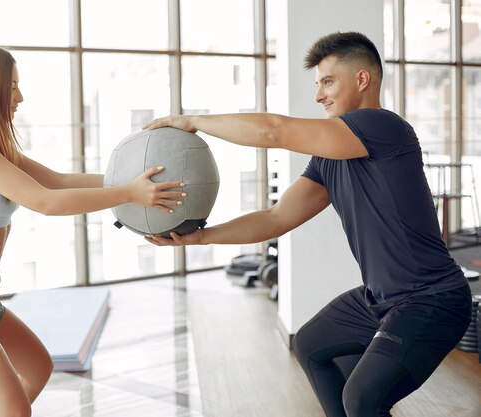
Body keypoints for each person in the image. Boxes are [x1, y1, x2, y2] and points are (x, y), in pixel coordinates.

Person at [144, 32, 472, 417]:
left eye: (328, 81)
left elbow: (275, 131)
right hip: (381, 298)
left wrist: (193, 120)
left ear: (362, 79)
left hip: (431, 300)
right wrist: (200, 238)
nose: (319, 96)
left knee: (362, 399)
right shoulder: (328, 157)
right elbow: (276, 218)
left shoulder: (385, 128)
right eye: (318, 85)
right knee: (312, 344)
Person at [0, 43, 185, 417]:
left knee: (38, 369)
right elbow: (45, 202)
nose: (19, 97)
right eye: (11, 86)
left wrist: (128, 181)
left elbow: (57, 181)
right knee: (13, 409)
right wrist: (130, 194)